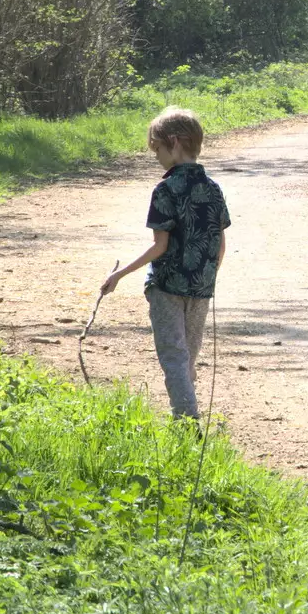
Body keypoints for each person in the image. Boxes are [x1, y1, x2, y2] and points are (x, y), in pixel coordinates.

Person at [100, 106, 231, 420]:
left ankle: (187, 423)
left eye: (157, 148)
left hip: (167, 286)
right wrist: (207, 276)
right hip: (201, 287)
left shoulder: (165, 189)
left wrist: (120, 274)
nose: (156, 155)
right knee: (187, 357)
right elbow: (220, 244)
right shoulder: (213, 188)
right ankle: (186, 417)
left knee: (174, 356)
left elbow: (160, 245)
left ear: (174, 142)